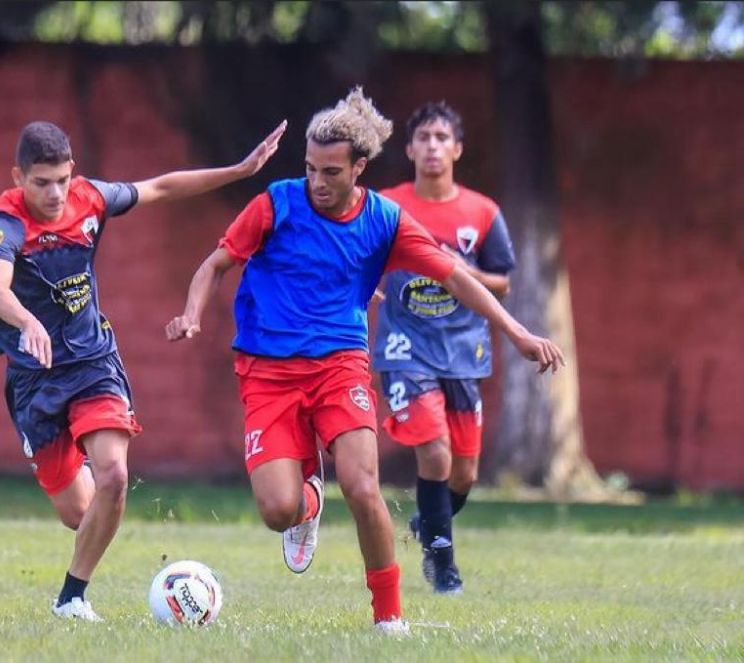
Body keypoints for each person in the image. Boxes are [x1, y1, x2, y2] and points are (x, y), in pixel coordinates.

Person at [165, 88, 563, 633]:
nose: (317, 182)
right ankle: (307, 503)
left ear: (360, 168)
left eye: (331, 171)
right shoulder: (276, 203)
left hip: (340, 367)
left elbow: (458, 279)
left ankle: (389, 617)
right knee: (276, 510)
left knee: (363, 487)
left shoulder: (386, 221)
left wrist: (518, 333)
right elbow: (214, 265)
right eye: (310, 168)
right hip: (267, 371)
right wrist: (192, 314)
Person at [0, 119, 286, 623]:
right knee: (81, 515)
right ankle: (76, 477)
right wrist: (26, 318)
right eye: (41, 183)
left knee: (115, 477)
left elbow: (161, 187)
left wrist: (239, 170)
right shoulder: (7, 222)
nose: (54, 194)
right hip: (34, 379)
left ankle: (72, 598)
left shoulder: (90, 198)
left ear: (72, 171)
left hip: (93, 362)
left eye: (61, 179)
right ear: (19, 178)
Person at [374, 101, 515, 595]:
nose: (433, 146)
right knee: (433, 451)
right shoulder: (386, 205)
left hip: (462, 350)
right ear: (410, 148)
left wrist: (461, 270)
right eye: (424, 138)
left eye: (442, 137)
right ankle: (443, 567)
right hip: (404, 346)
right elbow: (356, 254)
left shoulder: (482, 212)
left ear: (457, 148)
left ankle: (427, 523)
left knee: (464, 471)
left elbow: (503, 283)